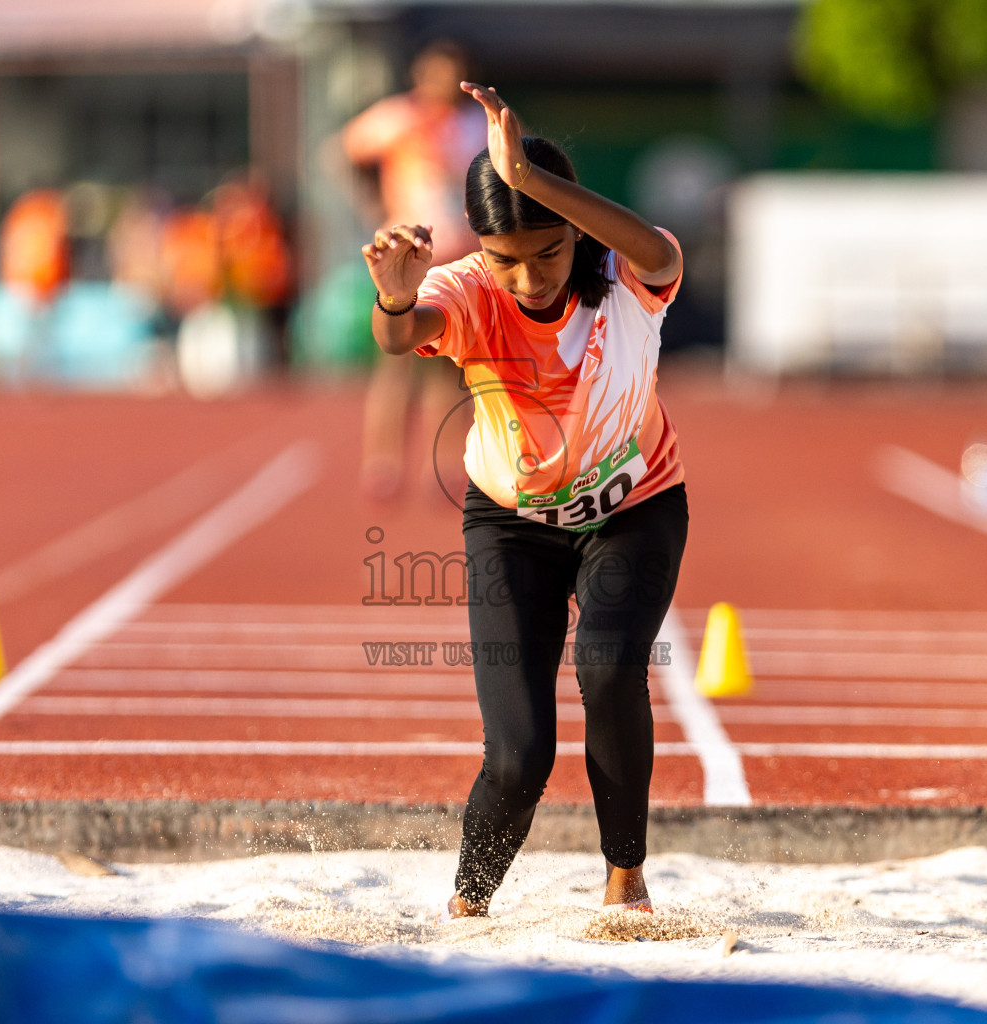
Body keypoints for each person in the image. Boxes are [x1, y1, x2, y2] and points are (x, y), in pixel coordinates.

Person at [361, 82, 688, 918]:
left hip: (633, 508)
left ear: (573, 230)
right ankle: (469, 904)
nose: (528, 277)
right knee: (519, 755)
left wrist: (535, 182)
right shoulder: (471, 289)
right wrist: (395, 296)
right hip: (512, 526)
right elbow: (404, 333)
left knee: (611, 668)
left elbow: (657, 252)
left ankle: (625, 881)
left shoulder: (625, 274)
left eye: (545, 253)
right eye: (505, 257)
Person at [341, 40, 487, 501]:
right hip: (405, 253)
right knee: (396, 362)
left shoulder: (472, 125)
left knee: (450, 364)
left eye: (453, 73)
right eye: (436, 73)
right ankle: (382, 462)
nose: (443, 82)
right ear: (420, 76)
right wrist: (373, 203)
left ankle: (444, 466)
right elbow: (344, 151)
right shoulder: (397, 117)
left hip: (457, 251)